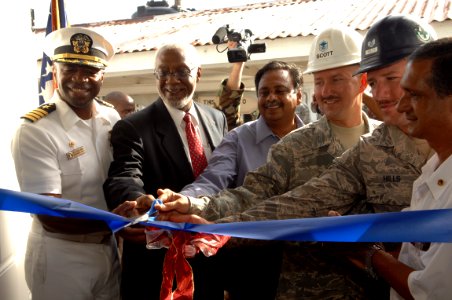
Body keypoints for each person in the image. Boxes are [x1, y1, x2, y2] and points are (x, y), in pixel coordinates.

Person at [154, 15, 437, 299]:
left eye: (391, 79)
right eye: (320, 80)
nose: (325, 91)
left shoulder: (412, 142)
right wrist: (211, 220)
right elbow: (294, 202)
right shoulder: (359, 149)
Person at [103, 42, 228, 300]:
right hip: (158, 266)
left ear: (198, 74)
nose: (172, 80)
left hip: (210, 258)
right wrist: (138, 201)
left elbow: (224, 176)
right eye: (164, 72)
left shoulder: (218, 119)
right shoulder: (133, 126)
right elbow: (125, 175)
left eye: (181, 71)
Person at [11, 27, 121, 300]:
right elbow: (51, 214)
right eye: (70, 68)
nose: (79, 79)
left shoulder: (112, 118)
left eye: (89, 70)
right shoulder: (36, 129)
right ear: (55, 70)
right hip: (61, 255)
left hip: (110, 251)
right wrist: (124, 224)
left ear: (102, 75)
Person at [182, 60, 304, 299]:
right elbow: (213, 179)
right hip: (252, 266)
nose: (271, 98)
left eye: (279, 91)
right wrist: (183, 200)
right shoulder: (238, 138)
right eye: (264, 92)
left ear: (298, 96)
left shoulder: (317, 139)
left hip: (309, 264)